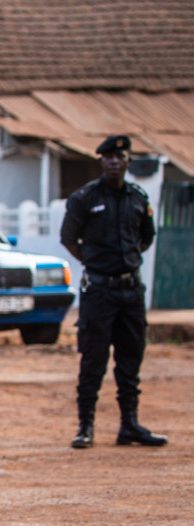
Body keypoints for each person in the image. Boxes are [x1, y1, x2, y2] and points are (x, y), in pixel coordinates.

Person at [60, 135, 166, 449]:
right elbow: (69, 238)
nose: (114, 162)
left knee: (131, 359)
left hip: (131, 292)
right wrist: (96, 265)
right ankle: (85, 427)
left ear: (128, 160)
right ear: (101, 162)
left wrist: (125, 264)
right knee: (93, 360)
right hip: (99, 293)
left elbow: (146, 238)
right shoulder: (85, 198)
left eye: (120, 157)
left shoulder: (137, 197)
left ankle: (129, 425)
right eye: (108, 158)